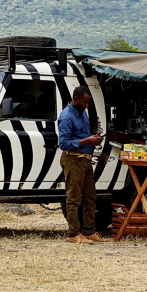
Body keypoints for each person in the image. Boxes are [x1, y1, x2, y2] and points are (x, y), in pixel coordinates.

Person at [58, 86, 106, 243]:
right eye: (85, 102)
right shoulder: (66, 117)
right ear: (76, 99)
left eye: (88, 103)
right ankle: (73, 234)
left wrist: (93, 141)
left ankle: (89, 231)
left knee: (90, 197)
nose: (87, 105)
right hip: (73, 159)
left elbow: (82, 135)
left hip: (84, 159)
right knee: (73, 198)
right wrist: (88, 141)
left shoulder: (82, 113)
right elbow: (63, 143)